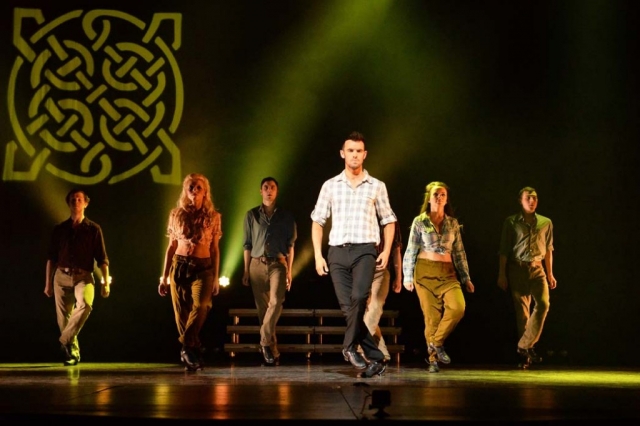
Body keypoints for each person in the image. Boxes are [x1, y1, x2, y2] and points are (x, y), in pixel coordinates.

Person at [311, 131, 397, 379]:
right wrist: (318, 255)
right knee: (349, 309)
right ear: (343, 153)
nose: (355, 155)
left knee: (359, 297)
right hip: (337, 252)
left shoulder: (377, 186)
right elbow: (317, 221)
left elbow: (389, 220)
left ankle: (348, 347)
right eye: (350, 150)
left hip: (365, 250)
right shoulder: (330, 185)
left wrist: (386, 251)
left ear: (365, 154)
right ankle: (376, 357)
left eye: (359, 151)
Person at [402, 181, 475, 373]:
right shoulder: (420, 221)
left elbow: (459, 252)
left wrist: (466, 277)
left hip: (448, 273)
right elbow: (411, 249)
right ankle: (433, 359)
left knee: (458, 307)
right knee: (432, 317)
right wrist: (407, 276)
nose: (439, 197)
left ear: (447, 199)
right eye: (436, 194)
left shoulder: (452, 223)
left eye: (443, 194)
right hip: (425, 272)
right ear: (429, 198)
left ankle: (436, 342)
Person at [158, 173, 222, 371]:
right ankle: (193, 351)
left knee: (202, 305)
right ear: (185, 191)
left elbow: (214, 249)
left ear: (205, 192)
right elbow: (171, 247)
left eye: (198, 187)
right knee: (181, 312)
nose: (194, 190)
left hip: (203, 268)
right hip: (180, 265)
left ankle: (186, 347)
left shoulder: (213, 217)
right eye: (191, 187)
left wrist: (216, 277)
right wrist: (164, 277)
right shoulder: (176, 214)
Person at [44, 189, 111, 366]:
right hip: (61, 276)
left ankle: (64, 340)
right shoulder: (60, 229)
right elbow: (51, 258)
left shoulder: (94, 229)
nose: (76, 202)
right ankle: (73, 353)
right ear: (68, 203)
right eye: (73, 199)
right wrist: (48, 284)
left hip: (84, 276)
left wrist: (105, 282)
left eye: (79, 199)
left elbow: (102, 259)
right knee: (63, 318)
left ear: (86, 203)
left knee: (85, 304)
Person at [497, 186, 556, 369]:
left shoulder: (545, 222)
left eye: (535, 198)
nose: (532, 201)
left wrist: (550, 273)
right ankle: (526, 356)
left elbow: (549, 250)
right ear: (520, 201)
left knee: (543, 304)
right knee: (522, 313)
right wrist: (502, 274)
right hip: (518, 269)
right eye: (528, 197)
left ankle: (524, 345)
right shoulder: (511, 222)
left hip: (538, 269)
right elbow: (504, 250)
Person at [242, 177, 297, 366]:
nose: (269, 190)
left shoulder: (286, 216)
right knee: (263, 309)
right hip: (256, 264)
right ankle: (272, 351)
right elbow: (247, 244)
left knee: (276, 302)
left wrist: (289, 271)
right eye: (265, 187)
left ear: (277, 191)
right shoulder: (251, 215)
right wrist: (246, 270)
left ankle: (264, 342)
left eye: (272, 187)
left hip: (278, 264)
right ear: (261, 191)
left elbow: (290, 246)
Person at [359, 221, 403, 362]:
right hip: (361, 270)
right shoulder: (362, 216)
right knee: (363, 311)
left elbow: (396, 250)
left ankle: (361, 345)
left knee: (375, 306)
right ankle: (382, 352)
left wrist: (399, 277)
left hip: (381, 271)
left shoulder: (391, 221)